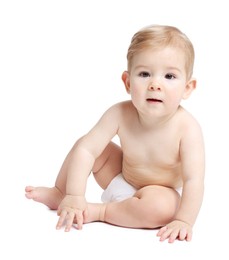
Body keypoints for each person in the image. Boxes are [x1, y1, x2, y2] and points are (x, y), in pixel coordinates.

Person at [25, 24, 205, 243]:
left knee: (163, 208)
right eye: (145, 73)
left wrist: (184, 220)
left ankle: (100, 212)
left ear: (187, 87)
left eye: (169, 76)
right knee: (86, 144)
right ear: (127, 82)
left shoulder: (187, 128)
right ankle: (61, 193)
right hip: (120, 177)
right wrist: (75, 194)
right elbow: (87, 150)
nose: (155, 84)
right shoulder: (119, 113)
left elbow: (193, 179)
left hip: (158, 192)